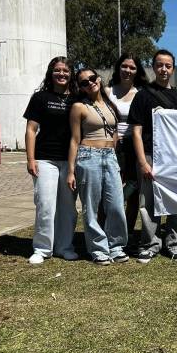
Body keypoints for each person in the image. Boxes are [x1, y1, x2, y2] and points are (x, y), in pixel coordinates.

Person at [129, 49, 177, 263]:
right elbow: (136, 132)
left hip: (176, 158)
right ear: (153, 67)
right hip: (149, 155)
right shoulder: (142, 95)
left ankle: (176, 243)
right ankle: (149, 244)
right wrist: (142, 162)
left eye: (168, 66)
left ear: (173, 69)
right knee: (147, 203)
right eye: (159, 65)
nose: (163, 69)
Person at [67, 68, 128, 264]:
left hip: (110, 157)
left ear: (99, 79)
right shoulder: (79, 107)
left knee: (116, 204)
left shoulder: (109, 104)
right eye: (84, 82)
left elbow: (114, 133)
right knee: (91, 207)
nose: (90, 83)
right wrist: (71, 171)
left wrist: (117, 160)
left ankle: (116, 246)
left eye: (92, 78)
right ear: (81, 87)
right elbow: (74, 140)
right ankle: (98, 249)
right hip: (88, 156)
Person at [24, 56, 78, 265]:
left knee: (68, 208)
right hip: (45, 159)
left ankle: (65, 247)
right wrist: (31, 159)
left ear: (71, 74)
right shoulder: (40, 98)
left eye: (65, 70)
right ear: (51, 73)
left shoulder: (77, 99)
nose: (61, 74)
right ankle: (42, 248)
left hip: (70, 161)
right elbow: (31, 129)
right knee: (45, 204)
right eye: (57, 70)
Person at [106, 53, 148, 235]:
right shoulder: (107, 92)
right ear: (118, 68)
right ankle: (105, 230)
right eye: (124, 66)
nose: (128, 70)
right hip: (111, 146)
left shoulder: (142, 93)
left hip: (134, 146)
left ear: (137, 71)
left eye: (132, 67)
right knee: (108, 189)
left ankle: (127, 233)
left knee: (133, 192)